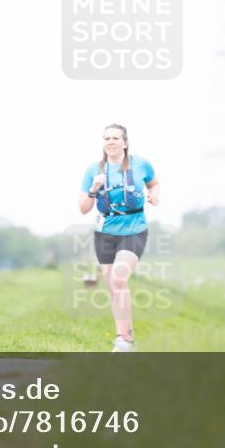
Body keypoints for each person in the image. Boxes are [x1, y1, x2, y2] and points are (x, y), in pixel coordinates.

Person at [79, 124, 160, 352]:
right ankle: (128, 338)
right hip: (105, 233)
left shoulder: (141, 164)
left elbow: (154, 183)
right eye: (107, 138)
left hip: (134, 230)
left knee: (119, 277)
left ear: (125, 142)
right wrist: (94, 189)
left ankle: (122, 339)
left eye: (115, 138)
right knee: (114, 287)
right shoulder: (93, 171)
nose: (111, 142)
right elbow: (83, 208)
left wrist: (154, 194)